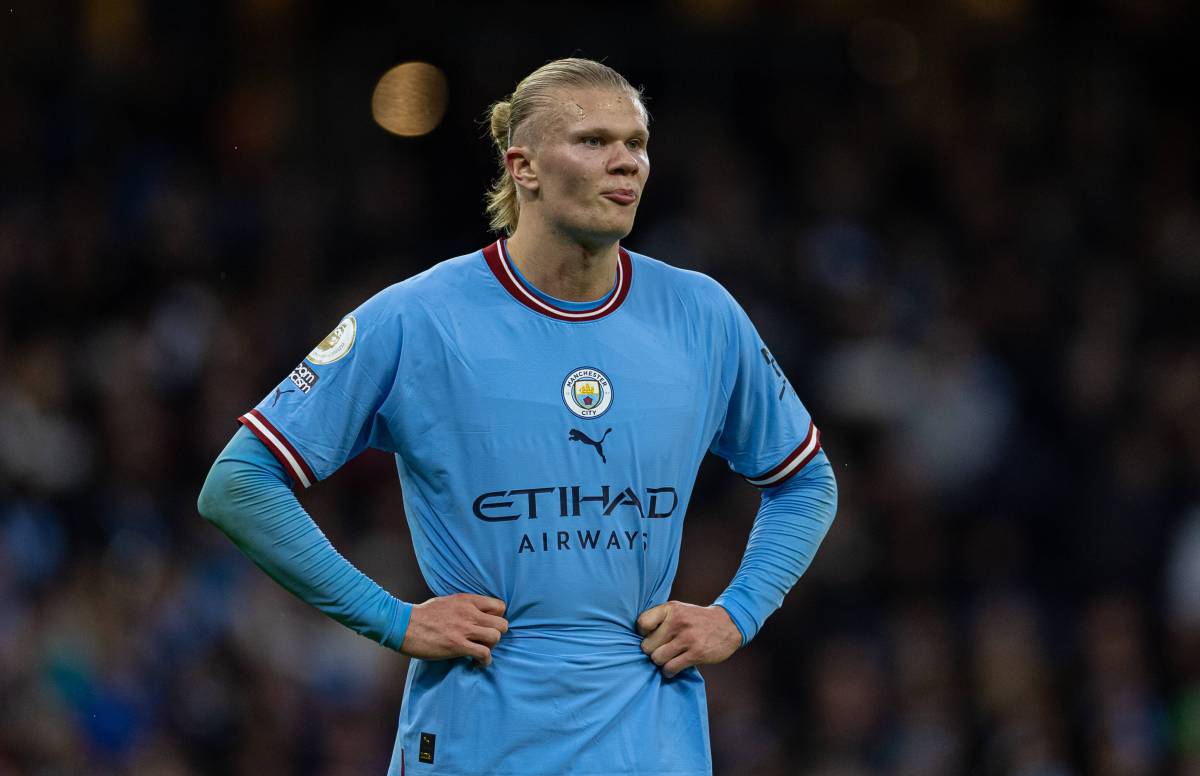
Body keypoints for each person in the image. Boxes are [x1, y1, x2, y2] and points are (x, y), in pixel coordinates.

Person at [198, 57, 837, 776]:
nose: (626, 162)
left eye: (636, 143)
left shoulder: (702, 315)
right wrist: (390, 618)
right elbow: (238, 484)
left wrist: (738, 613)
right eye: (593, 141)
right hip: (478, 739)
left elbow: (807, 482)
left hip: (650, 742)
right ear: (523, 167)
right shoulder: (419, 317)